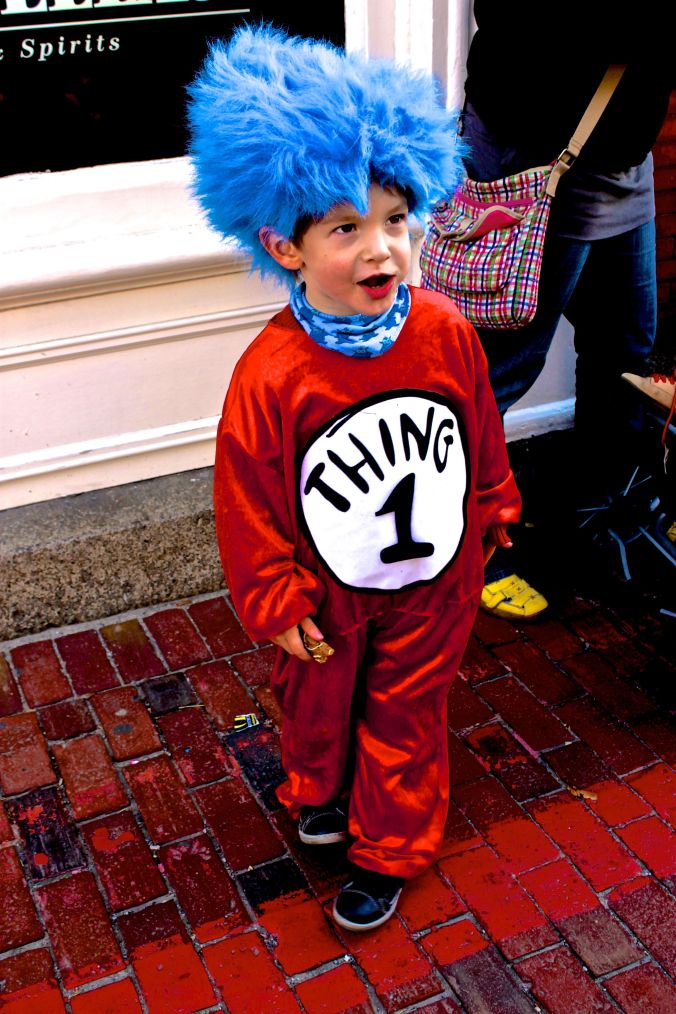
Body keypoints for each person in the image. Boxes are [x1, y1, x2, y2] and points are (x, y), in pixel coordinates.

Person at [187, 25, 520, 931]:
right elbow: (248, 496)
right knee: (319, 697)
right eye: (346, 227)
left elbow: (475, 421)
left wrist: (494, 501)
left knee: (406, 714)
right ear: (284, 246)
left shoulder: (443, 326)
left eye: (396, 221)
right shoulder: (275, 372)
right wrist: (273, 596)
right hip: (330, 588)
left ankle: (390, 848)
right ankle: (320, 791)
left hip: (433, 581)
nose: (382, 249)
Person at [436, 1, 674, 620]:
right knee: (500, 366)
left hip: (622, 148)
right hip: (537, 149)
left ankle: (599, 514)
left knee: (626, 350)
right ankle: (462, 544)